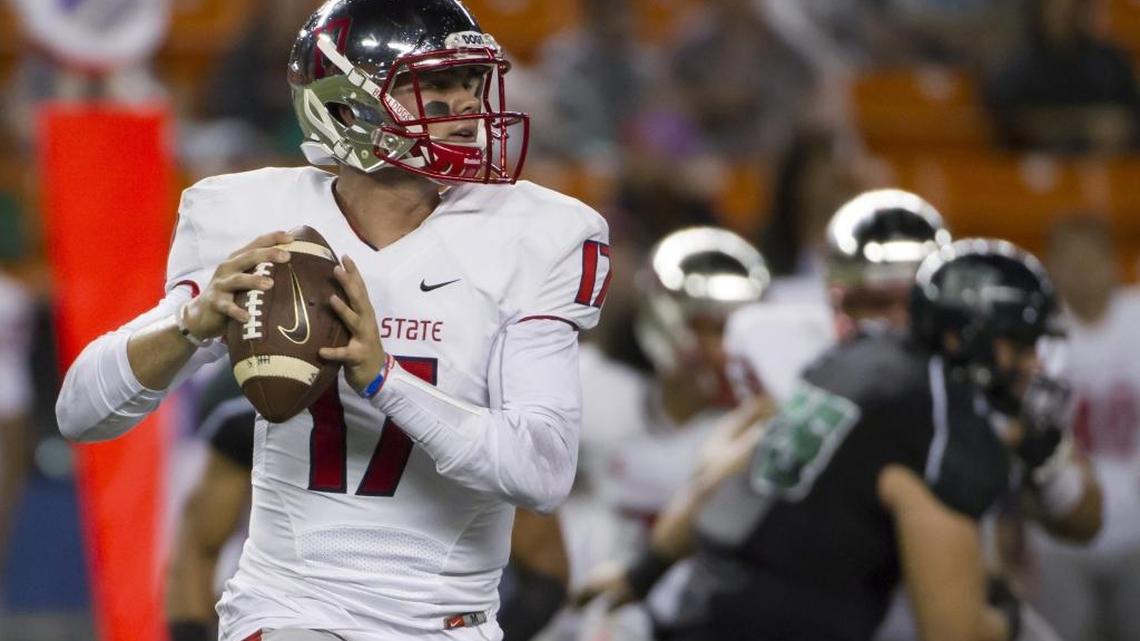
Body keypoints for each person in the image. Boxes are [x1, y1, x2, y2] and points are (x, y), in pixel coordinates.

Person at [55, 1, 610, 639]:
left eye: (469, 80)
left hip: (449, 622)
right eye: (431, 84)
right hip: (291, 609)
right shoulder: (249, 215)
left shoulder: (539, 234)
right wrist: (193, 322)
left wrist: (384, 380)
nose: (464, 105)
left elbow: (541, 471)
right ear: (347, 107)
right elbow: (79, 413)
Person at [167, 369, 572, 641]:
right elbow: (194, 557)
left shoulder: (472, 412)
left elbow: (547, 574)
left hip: (434, 617)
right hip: (296, 611)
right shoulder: (250, 412)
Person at [1027, 215, 1140, 641]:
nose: (1083, 270)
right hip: (1061, 539)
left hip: (1136, 534)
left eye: (1091, 258)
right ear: (1052, 268)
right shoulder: (1039, 335)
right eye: (1070, 260)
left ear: (1113, 262)